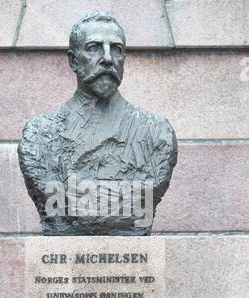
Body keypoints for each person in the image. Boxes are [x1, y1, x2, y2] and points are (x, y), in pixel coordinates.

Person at [18, 11, 177, 235]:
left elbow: (146, 196)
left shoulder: (157, 133)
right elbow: (51, 196)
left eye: (116, 49)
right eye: (93, 48)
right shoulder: (39, 136)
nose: (107, 58)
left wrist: (79, 196)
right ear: (73, 60)